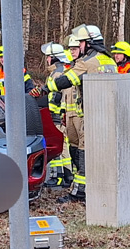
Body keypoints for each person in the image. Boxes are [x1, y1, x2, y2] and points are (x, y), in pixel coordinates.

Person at [47, 24, 117, 202]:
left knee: (83, 154)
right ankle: (96, 188)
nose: (78, 48)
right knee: (96, 154)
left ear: (89, 43)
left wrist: (45, 87)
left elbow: (65, 81)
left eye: (80, 43)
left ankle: (80, 193)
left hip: (91, 116)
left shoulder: (88, 62)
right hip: (108, 114)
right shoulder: (108, 61)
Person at [40, 42, 74, 188]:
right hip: (55, 115)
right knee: (58, 145)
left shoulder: (58, 73)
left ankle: (65, 175)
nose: (47, 59)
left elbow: (59, 95)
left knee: (61, 145)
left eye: (48, 57)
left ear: (53, 58)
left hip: (57, 116)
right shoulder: (56, 72)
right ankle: (59, 175)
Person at [111, 41, 130, 163]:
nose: (116, 56)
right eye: (115, 54)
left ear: (126, 55)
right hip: (116, 108)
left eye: (119, 53)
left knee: (128, 139)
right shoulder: (116, 69)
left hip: (128, 109)